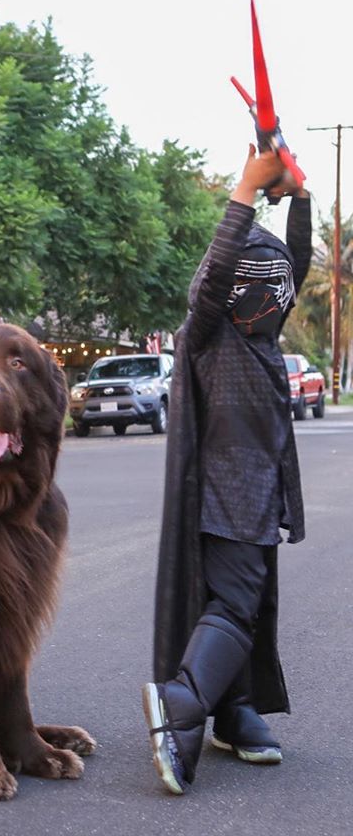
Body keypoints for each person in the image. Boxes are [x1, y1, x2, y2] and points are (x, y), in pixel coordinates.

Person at [143, 144, 311, 794]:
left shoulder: (266, 340)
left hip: (261, 496)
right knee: (237, 606)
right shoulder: (212, 335)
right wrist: (245, 188)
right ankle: (181, 703)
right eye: (255, 281)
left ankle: (233, 712)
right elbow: (215, 276)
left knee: (246, 604)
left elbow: (294, 256)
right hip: (226, 494)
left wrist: (297, 193)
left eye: (277, 283)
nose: (271, 291)